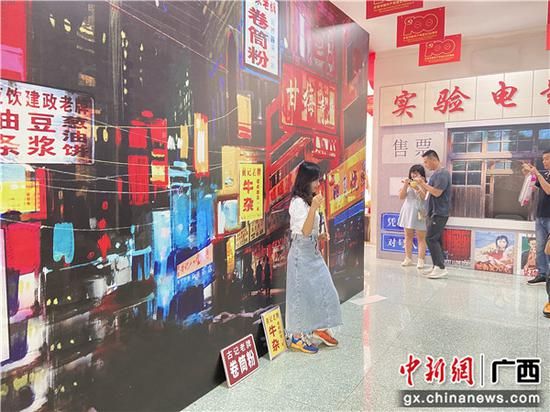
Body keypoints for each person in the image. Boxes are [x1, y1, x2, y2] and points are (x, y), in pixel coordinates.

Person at [286, 161, 342, 354]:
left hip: (313, 250)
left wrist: (319, 236)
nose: (318, 183)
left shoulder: (309, 200)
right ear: (306, 180)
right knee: (300, 295)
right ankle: (296, 337)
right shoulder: (297, 202)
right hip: (300, 253)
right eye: (315, 180)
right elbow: (304, 230)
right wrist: (314, 208)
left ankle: (318, 326)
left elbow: (310, 230)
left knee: (325, 289)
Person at [414, 150, 452, 279]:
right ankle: (437, 266)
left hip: (439, 212)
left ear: (433, 159)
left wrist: (422, 183)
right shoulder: (436, 174)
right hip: (433, 212)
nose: (425, 165)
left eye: (426, 162)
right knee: (435, 239)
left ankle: (440, 267)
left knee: (430, 239)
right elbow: (428, 194)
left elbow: (436, 192)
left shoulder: (442, 174)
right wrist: (419, 185)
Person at [523, 150, 550, 288]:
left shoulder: (543, 175)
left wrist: (537, 174)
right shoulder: (546, 175)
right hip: (540, 216)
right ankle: (542, 274)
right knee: (539, 247)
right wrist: (529, 174)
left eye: (547, 159)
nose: (544, 161)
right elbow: (534, 185)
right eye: (543, 159)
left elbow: (548, 190)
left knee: (548, 249)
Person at [398, 164, 428, 269]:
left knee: (421, 238)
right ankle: (408, 258)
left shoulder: (424, 183)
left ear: (421, 174)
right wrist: (406, 185)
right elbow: (401, 197)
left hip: (419, 211)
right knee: (408, 236)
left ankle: (421, 260)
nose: (414, 175)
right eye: (412, 173)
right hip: (408, 211)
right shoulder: (408, 183)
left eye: (416, 173)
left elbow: (424, 197)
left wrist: (417, 187)